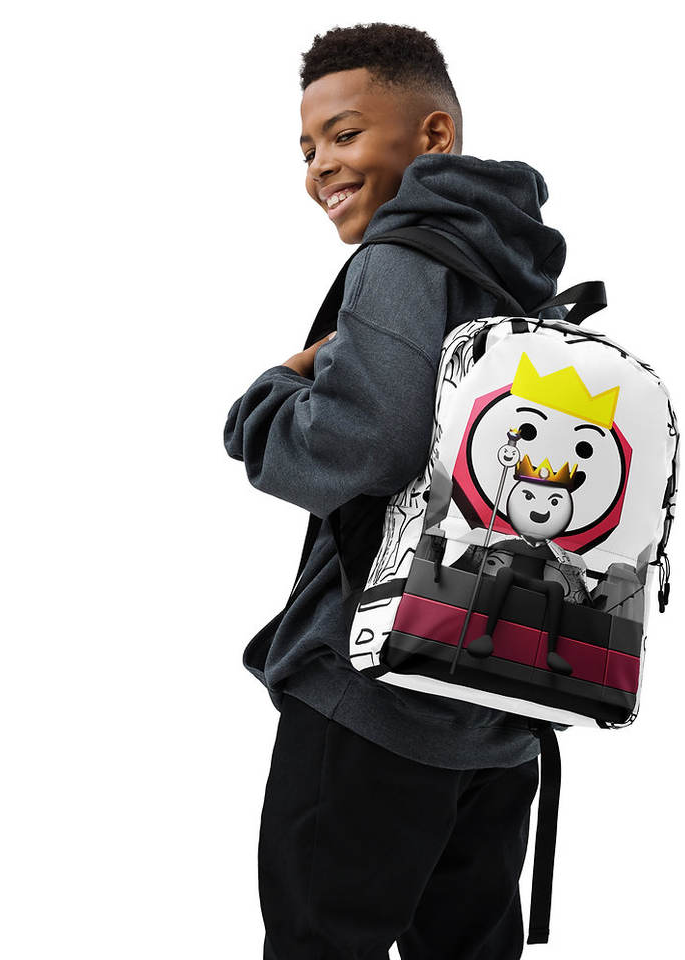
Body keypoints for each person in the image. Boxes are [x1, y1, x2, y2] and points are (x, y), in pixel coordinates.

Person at [223, 22, 569, 959]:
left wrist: (268, 398)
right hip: (499, 691)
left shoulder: (402, 258)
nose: (320, 168)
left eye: (344, 134)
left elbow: (362, 445)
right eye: (307, 149)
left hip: (373, 696)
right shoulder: (519, 272)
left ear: (432, 135)